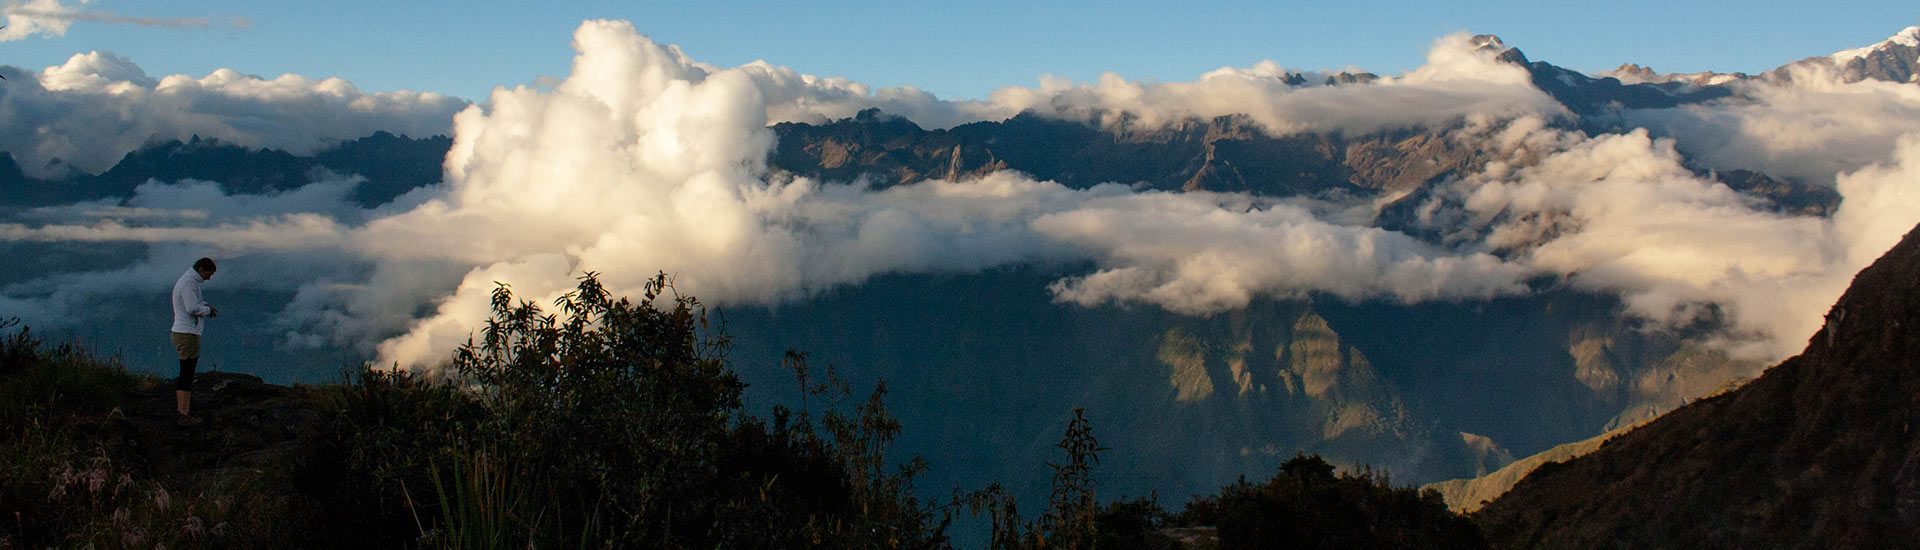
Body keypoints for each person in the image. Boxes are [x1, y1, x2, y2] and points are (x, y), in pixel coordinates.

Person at [170, 257, 218, 427]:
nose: (208, 278)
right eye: (208, 274)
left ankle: (183, 410)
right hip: (186, 334)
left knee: (187, 372)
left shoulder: (189, 281)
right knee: (187, 373)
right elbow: (192, 308)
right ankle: (183, 414)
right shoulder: (189, 283)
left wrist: (205, 306)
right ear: (202, 269)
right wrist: (207, 310)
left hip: (185, 333)